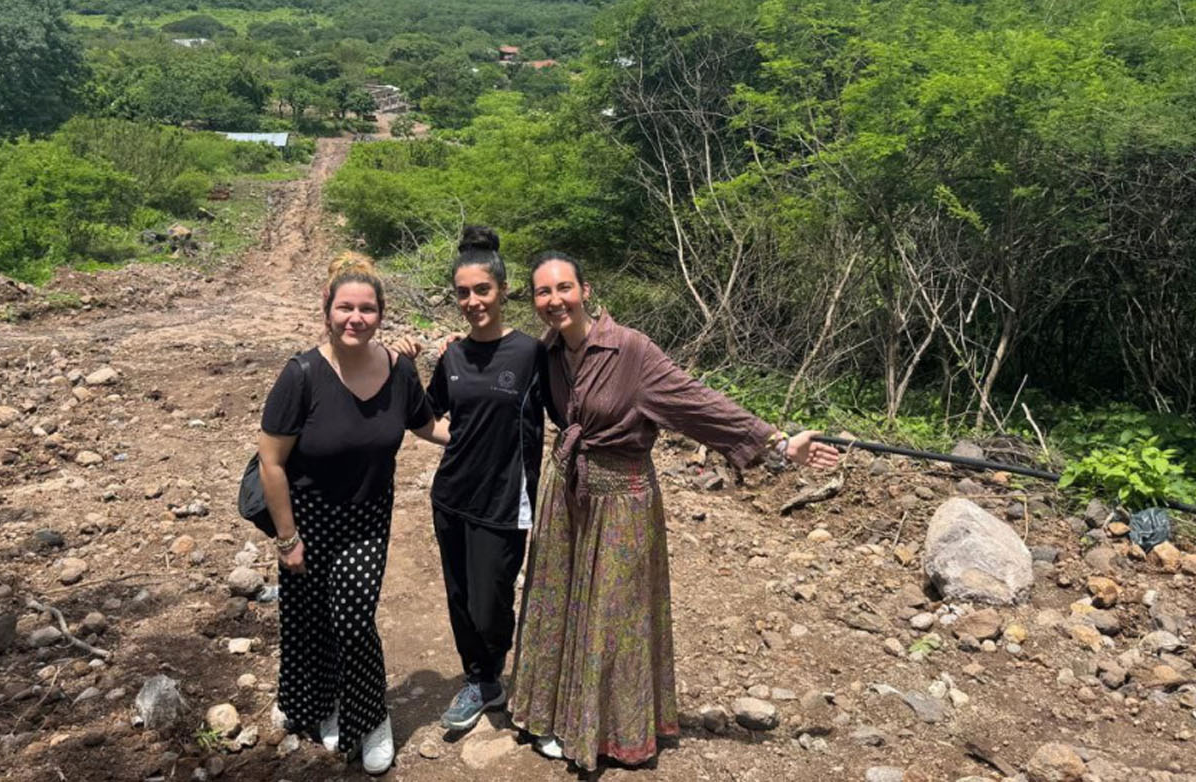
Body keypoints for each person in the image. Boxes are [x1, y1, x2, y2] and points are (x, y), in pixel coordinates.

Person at [507, 250, 840, 770]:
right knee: (558, 601)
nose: (554, 300)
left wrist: (776, 444)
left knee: (613, 618)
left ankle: (609, 730)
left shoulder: (630, 351)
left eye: (563, 288)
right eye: (543, 292)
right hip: (566, 491)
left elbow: (696, 402)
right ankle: (551, 714)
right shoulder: (547, 352)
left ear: (586, 290)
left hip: (622, 499)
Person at [257, 254, 447, 774]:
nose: (355, 318)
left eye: (366, 308)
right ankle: (317, 704)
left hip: (366, 518)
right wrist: (286, 538)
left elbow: (427, 426)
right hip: (306, 517)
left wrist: (486, 438)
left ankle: (371, 717)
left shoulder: (399, 370)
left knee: (354, 621)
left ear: (381, 314)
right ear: (327, 310)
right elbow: (272, 463)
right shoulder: (301, 374)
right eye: (345, 307)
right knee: (307, 616)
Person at [418, 227, 562, 732]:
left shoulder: (530, 355)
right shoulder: (453, 356)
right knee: (459, 597)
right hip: (451, 496)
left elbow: (569, 413)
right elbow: (428, 416)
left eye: (482, 290)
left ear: (502, 292)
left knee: (490, 601)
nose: (473, 301)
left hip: (505, 500)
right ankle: (479, 680)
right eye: (463, 292)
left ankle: (492, 670)